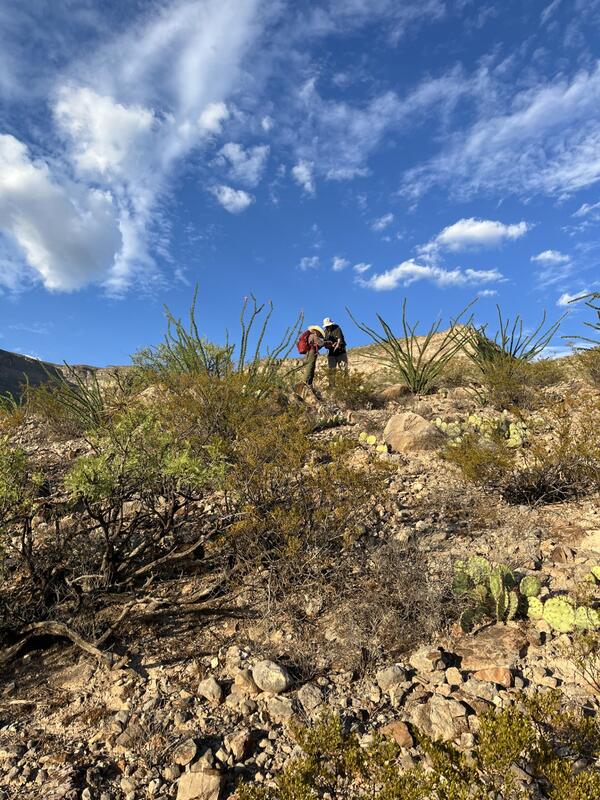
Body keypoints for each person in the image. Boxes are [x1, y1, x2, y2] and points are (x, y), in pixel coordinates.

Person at [322, 317, 348, 384]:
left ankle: (346, 385)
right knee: (331, 371)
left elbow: (340, 339)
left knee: (343, 370)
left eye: (328, 326)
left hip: (341, 352)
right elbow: (325, 345)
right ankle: (331, 387)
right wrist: (329, 345)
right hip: (331, 353)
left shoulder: (337, 328)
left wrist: (337, 344)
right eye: (326, 326)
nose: (327, 327)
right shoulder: (325, 332)